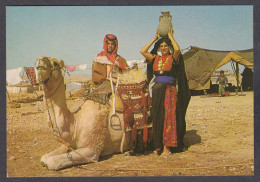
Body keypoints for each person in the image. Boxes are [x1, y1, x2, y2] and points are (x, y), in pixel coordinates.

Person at [140, 27, 191, 158]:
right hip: (157, 91)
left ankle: (167, 147)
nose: (163, 47)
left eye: (166, 45)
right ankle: (159, 145)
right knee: (158, 117)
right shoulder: (155, 59)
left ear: (169, 47)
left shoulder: (173, 59)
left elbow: (178, 49)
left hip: (170, 91)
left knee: (169, 117)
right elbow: (143, 51)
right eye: (161, 46)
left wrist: (171, 37)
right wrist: (154, 38)